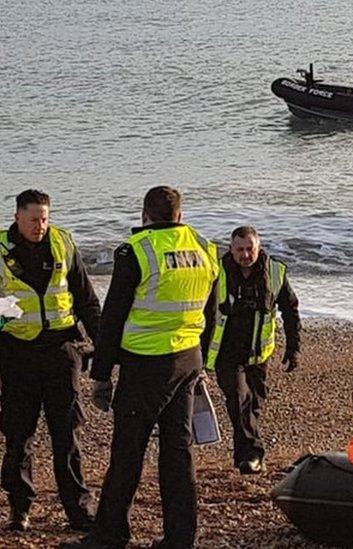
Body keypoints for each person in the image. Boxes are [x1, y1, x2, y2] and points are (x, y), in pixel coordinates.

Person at [62, 186, 218, 549]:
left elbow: (113, 317)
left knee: (128, 454)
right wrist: (202, 361)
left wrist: (100, 376)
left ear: (145, 215)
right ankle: (181, 537)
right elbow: (211, 312)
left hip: (146, 365)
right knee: (178, 452)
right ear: (180, 216)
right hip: (187, 359)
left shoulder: (137, 251)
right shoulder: (203, 247)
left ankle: (110, 534)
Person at [0, 189, 101, 532]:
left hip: (61, 352)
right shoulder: (0, 251)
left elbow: (87, 300)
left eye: (45, 219)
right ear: (17, 217)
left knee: (67, 435)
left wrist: (102, 346)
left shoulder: (64, 244)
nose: (40, 226)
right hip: (17, 355)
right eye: (33, 220)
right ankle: (20, 508)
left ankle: (78, 509)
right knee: (18, 435)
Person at [205, 226, 300, 474]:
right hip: (226, 354)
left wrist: (293, 349)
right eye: (240, 250)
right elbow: (201, 313)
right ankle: (253, 455)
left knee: (252, 406)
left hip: (259, 354)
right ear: (231, 249)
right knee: (239, 400)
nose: (246, 255)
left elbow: (290, 311)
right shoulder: (216, 272)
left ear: (259, 247)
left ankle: (242, 457)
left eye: (250, 249)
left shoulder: (275, 272)